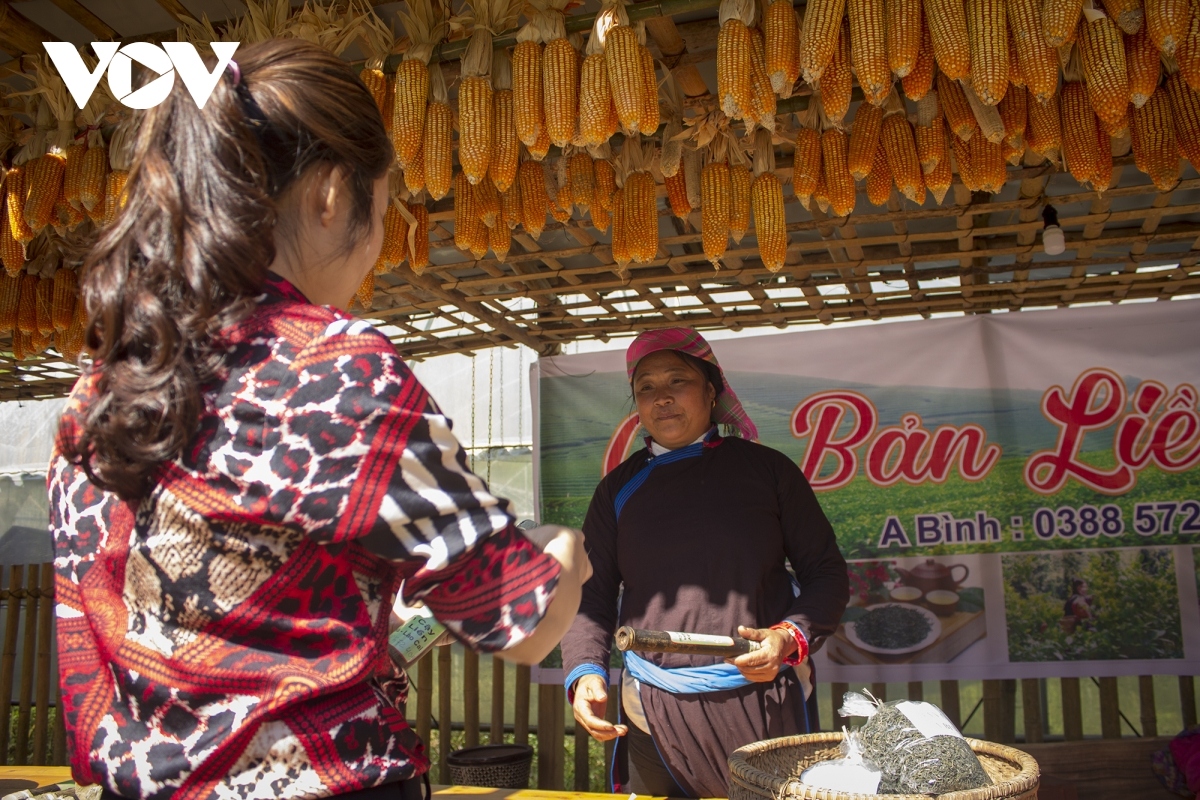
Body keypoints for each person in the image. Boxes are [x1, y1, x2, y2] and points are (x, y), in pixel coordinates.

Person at [49, 40, 589, 800]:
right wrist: (563, 549)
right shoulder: (338, 371)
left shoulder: (101, 388)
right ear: (333, 195)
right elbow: (519, 620)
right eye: (385, 203)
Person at [560, 328, 849, 798]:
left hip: (761, 699)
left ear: (712, 392)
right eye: (646, 387)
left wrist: (787, 637)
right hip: (651, 708)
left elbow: (827, 574)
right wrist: (586, 670)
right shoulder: (618, 489)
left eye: (678, 381)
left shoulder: (769, 471)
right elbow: (588, 596)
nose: (663, 398)